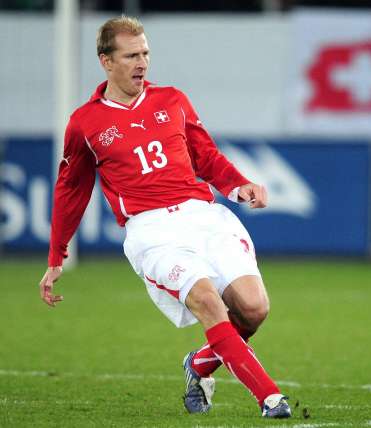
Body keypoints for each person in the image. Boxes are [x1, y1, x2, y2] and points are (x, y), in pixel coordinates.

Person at [38, 16, 291, 419]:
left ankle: (200, 364)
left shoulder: (172, 100)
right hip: (152, 232)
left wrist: (239, 185)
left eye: (145, 53)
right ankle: (270, 398)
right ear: (106, 61)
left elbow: (205, 156)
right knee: (207, 301)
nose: (142, 63)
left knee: (254, 309)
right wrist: (56, 256)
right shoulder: (85, 123)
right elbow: (71, 189)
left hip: (203, 217)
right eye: (131, 56)